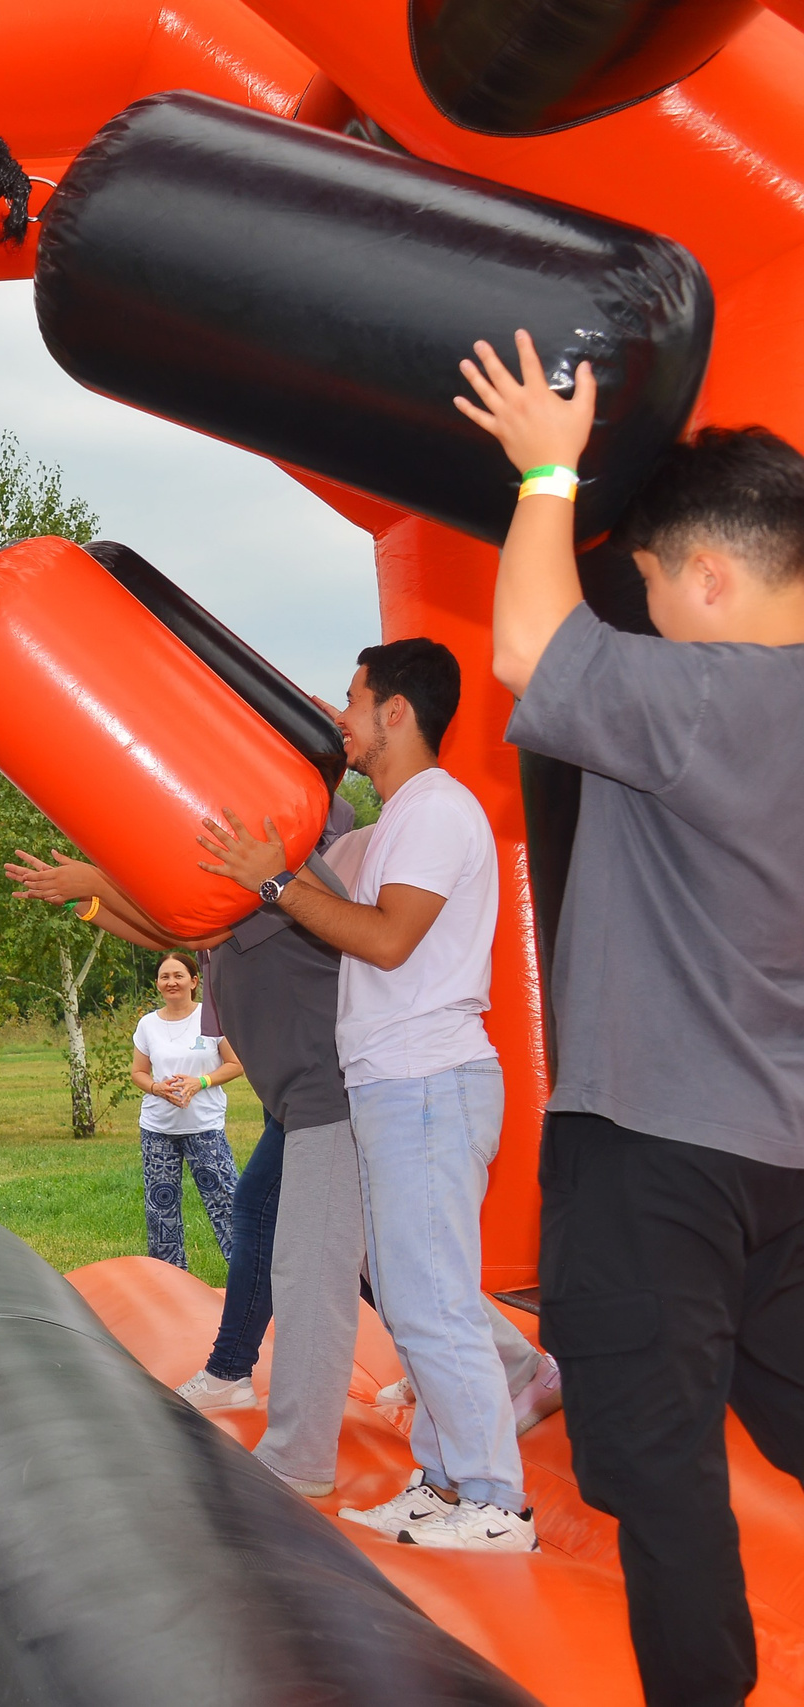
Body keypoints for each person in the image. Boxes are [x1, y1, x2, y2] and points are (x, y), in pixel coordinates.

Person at [464, 335, 804, 1702]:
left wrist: (549, 464)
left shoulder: (719, 700)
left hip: (656, 1153)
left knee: (665, 1493)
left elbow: (529, 646)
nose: (648, 614)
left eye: (653, 585)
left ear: (712, 574)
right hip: (781, 1160)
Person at [202, 638, 532, 1552]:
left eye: (353, 698)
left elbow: (386, 940)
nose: (341, 714)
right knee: (407, 1285)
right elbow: (311, 895)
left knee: (432, 1297)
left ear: (396, 710)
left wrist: (277, 878)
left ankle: (496, 1499)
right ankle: (443, 1476)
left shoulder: (435, 808)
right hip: (394, 1083)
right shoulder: (390, 825)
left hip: (429, 1079)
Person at [129, 951, 244, 1271]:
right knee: (161, 1207)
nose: (171, 982)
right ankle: (169, 1281)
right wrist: (157, 1088)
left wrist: (200, 1082)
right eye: (165, 977)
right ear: (157, 984)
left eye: (178, 975)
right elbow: (138, 1072)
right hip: (158, 1129)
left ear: (194, 981)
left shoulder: (212, 1017)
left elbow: (236, 1065)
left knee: (226, 1203)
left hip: (204, 1127)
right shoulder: (147, 1025)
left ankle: (248, 1277)